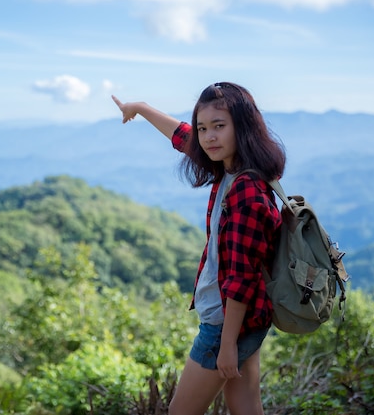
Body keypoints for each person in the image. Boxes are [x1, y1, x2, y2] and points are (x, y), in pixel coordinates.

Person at [112, 82, 286, 415]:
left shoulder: (246, 192)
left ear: (243, 126)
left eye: (219, 126)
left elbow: (241, 277)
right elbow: (184, 138)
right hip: (249, 320)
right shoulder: (233, 169)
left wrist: (226, 344)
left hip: (226, 323)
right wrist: (140, 107)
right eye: (204, 127)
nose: (208, 137)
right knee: (246, 407)